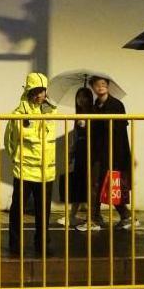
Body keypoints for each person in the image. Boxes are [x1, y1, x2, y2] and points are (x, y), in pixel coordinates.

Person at [5, 72, 56, 256]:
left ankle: (42, 244)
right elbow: (9, 140)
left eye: (42, 91)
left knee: (43, 212)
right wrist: (17, 158)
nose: (39, 95)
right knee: (17, 210)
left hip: (46, 171)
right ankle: (15, 245)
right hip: (25, 169)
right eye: (35, 91)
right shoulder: (19, 113)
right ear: (28, 91)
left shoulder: (53, 111)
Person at [79, 76, 138, 231]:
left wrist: (92, 121)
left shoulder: (116, 105)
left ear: (108, 87)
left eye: (104, 84)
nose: (100, 87)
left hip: (114, 152)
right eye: (97, 85)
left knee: (109, 185)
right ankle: (102, 218)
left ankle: (100, 219)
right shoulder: (95, 106)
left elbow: (116, 131)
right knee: (98, 185)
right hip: (100, 152)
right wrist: (85, 122)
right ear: (92, 87)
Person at [58, 87, 93, 227]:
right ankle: (72, 216)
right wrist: (71, 154)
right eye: (79, 97)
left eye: (84, 97)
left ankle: (91, 217)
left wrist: (87, 124)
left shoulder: (94, 113)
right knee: (79, 185)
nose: (81, 100)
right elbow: (76, 137)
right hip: (80, 153)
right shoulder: (78, 115)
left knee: (90, 186)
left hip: (90, 153)